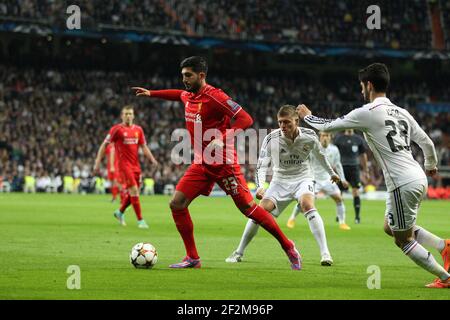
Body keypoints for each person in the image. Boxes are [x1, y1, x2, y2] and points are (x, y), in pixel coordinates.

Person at [132, 56, 302, 269]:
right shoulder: (190, 96)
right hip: (202, 163)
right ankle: (192, 258)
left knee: (249, 209)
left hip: (223, 163)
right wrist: (152, 93)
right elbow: (178, 95)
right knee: (177, 203)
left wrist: (223, 137)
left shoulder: (215, 96)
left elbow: (246, 119)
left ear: (201, 76)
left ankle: (288, 246)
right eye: (183, 75)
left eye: (188, 75)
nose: (184, 79)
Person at [297, 62, 450, 288]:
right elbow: (426, 142)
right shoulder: (402, 112)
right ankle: (444, 247)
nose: (361, 91)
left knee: (403, 239)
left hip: (401, 182)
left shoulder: (366, 113)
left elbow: (328, 126)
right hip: (416, 175)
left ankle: (446, 279)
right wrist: (431, 164)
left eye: (361, 86)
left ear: (368, 85)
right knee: (390, 226)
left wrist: (307, 116)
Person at [225, 105, 341, 266]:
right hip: (279, 181)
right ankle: (238, 252)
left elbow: (320, 156)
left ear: (296, 121)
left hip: (303, 178)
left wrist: (332, 173)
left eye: (287, 122)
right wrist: (260, 186)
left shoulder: (309, 136)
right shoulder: (271, 138)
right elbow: (261, 165)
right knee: (259, 212)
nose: (283, 126)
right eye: (280, 122)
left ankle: (325, 254)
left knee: (307, 204)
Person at [94, 105, 158, 229]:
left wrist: (152, 158)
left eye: (130, 114)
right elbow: (104, 145)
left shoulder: (138, 130)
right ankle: (140, 220)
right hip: (124, 166)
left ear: (133, 116)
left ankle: (120, 212)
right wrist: (97, 162)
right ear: (122, 116)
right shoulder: (116, 129)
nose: (128, 116)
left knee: (134, 193)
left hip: (136, 166)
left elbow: (143, 146)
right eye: (126, 114)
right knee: (134, 190)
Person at [287, 131, 351, 231]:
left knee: (339, 199)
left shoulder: (334, 150)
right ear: (320, 137)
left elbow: (338, 164)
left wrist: (343, 179)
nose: (325, 138)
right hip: (314, 179)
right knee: (304, 202)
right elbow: (303, 160)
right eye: (323, 136)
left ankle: (342, 223)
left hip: (328, 180)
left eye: (327, 136)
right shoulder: (313, 148)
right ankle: (292, 219)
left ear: (330, 137)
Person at [334, 129, 369, 224]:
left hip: (354, 168)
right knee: (339, 193)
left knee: (355, 191)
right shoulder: (339, 139)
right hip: (341, 168)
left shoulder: (358, 139)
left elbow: (363, 155)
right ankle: (339, 215)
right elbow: (333, 153)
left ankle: (357, 217)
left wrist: (366, 170)